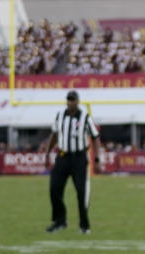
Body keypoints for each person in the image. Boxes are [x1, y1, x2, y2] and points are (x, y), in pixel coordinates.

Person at [44, 90, 102, 234]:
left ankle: (84, 225)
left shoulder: (85, 117)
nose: (70, 102)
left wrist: (97, 159)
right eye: (68, 99)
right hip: (62, 157)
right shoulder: (60, 116)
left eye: (73, 100)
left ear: (78, 101)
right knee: (54, 189)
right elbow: (55, 135)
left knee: (82, 192)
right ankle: (60, 221)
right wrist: (47, 153)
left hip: (79, 158)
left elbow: (95, 137)